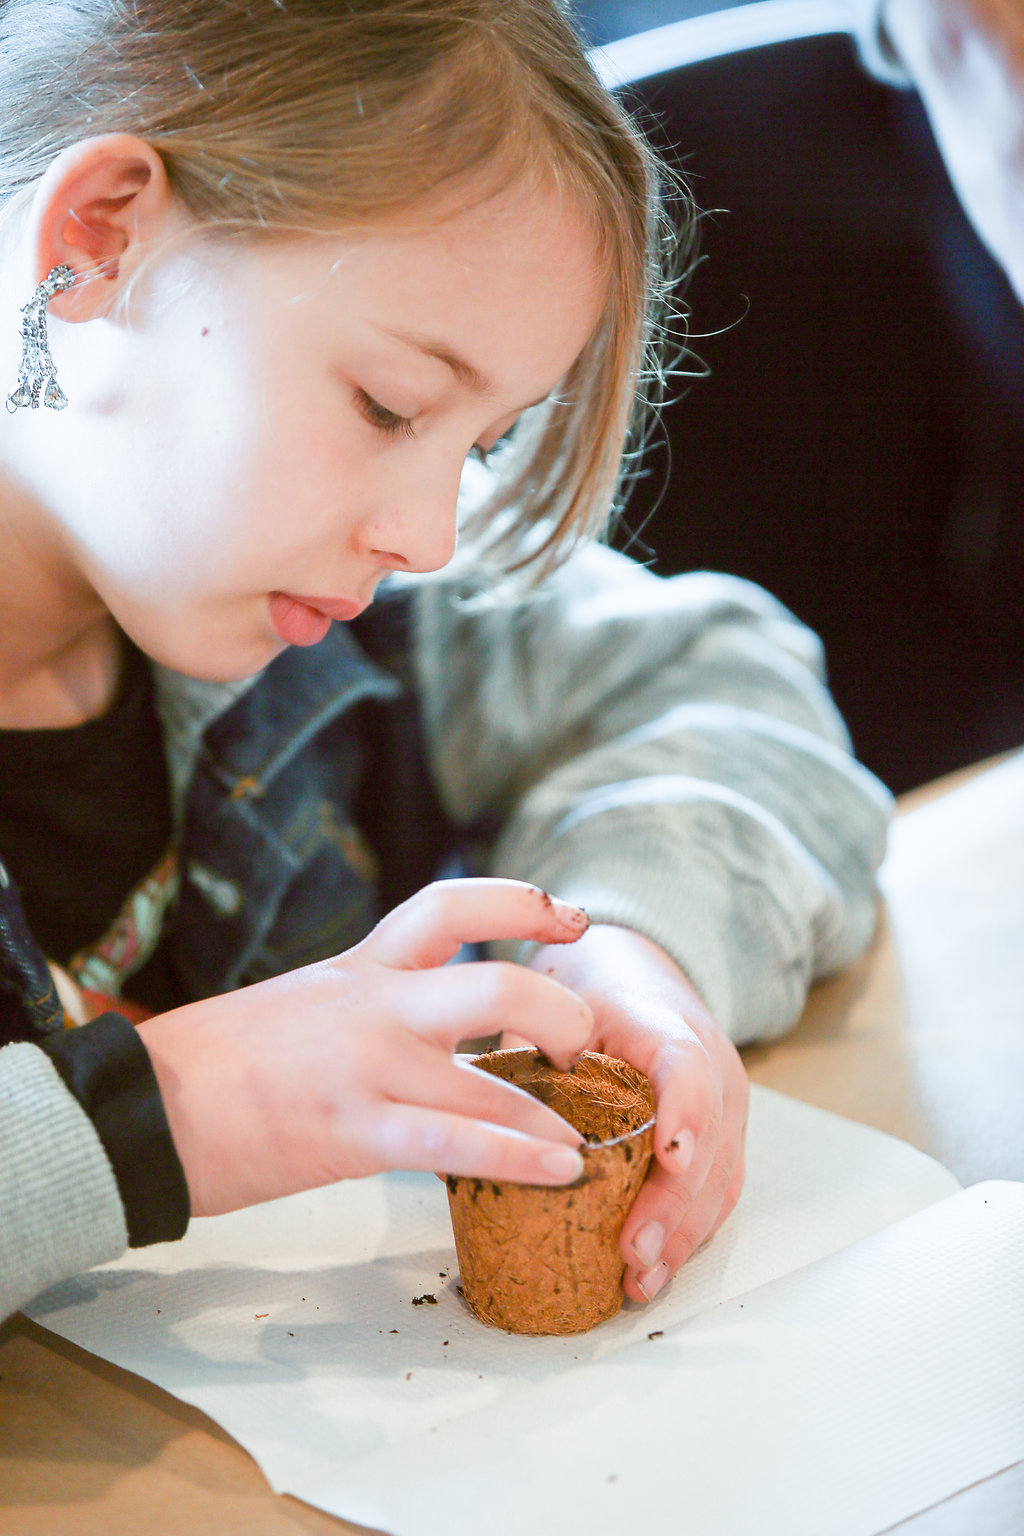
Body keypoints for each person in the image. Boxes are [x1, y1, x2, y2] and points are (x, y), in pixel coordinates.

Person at [0, 0, 891, 1326]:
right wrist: (171, 1116)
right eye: (391, 407)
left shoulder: (333, 601)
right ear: (100, 242)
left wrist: (631, 948)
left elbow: (723, 675)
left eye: (478, 444)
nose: (426, 535)